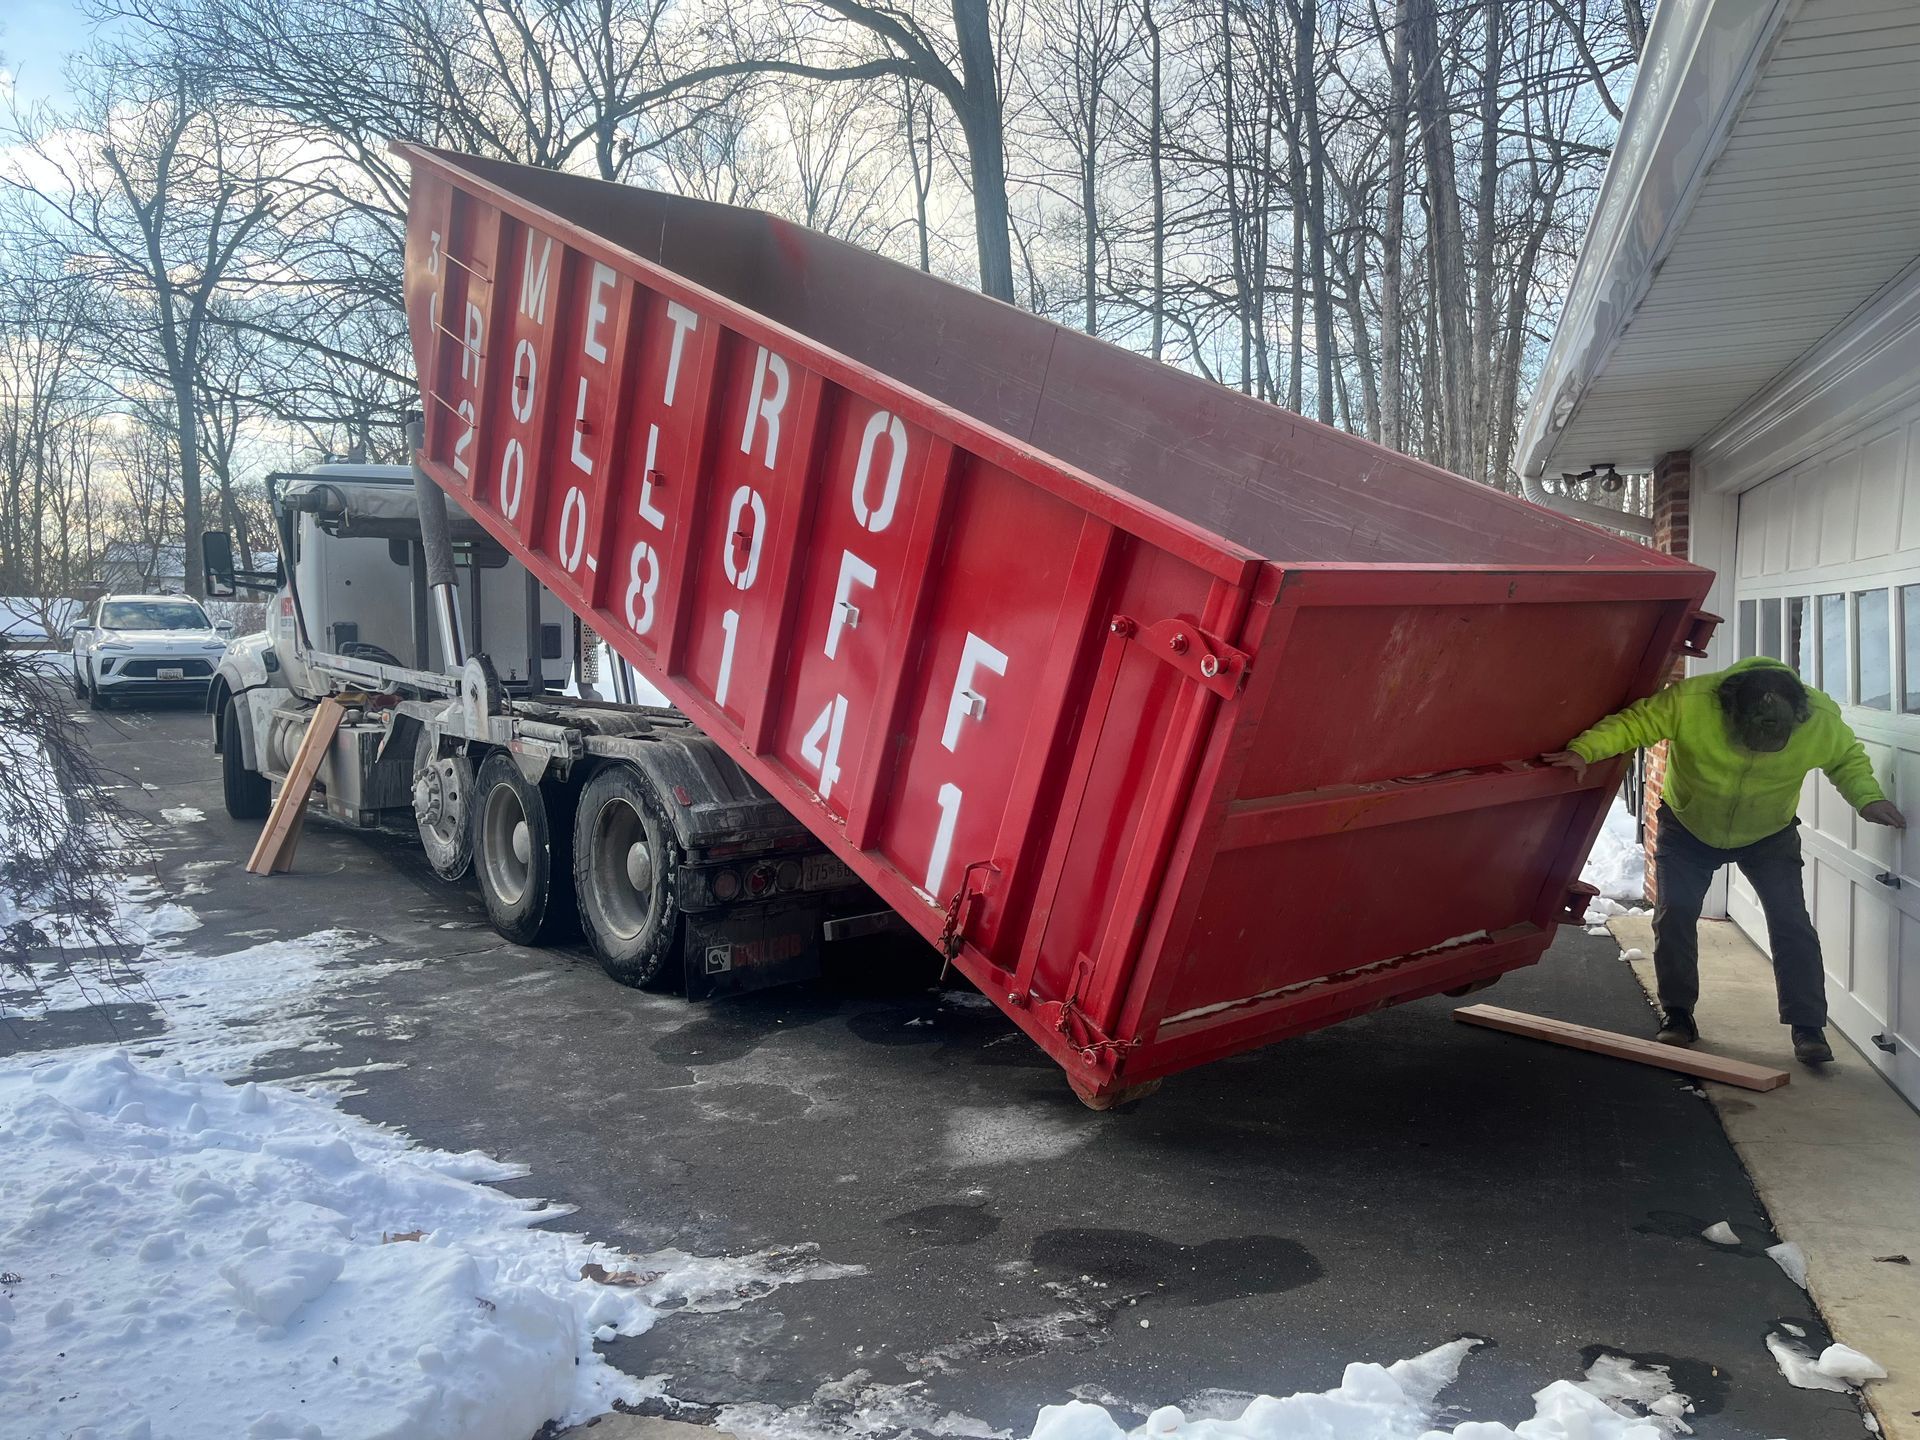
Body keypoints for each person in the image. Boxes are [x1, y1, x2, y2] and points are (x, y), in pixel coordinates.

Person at [1543, 656, 1905, 1065]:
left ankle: (1808, 1028)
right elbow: (1634, 724)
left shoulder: (1818, 717)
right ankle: (1678, 1015)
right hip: (1689, 825)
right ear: (1728, 708)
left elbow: (1846, 759)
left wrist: (1868, 798)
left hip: (1769, 832)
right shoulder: (1692, 701)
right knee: (1675, 913)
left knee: (1791, 923)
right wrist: (1585, 751)